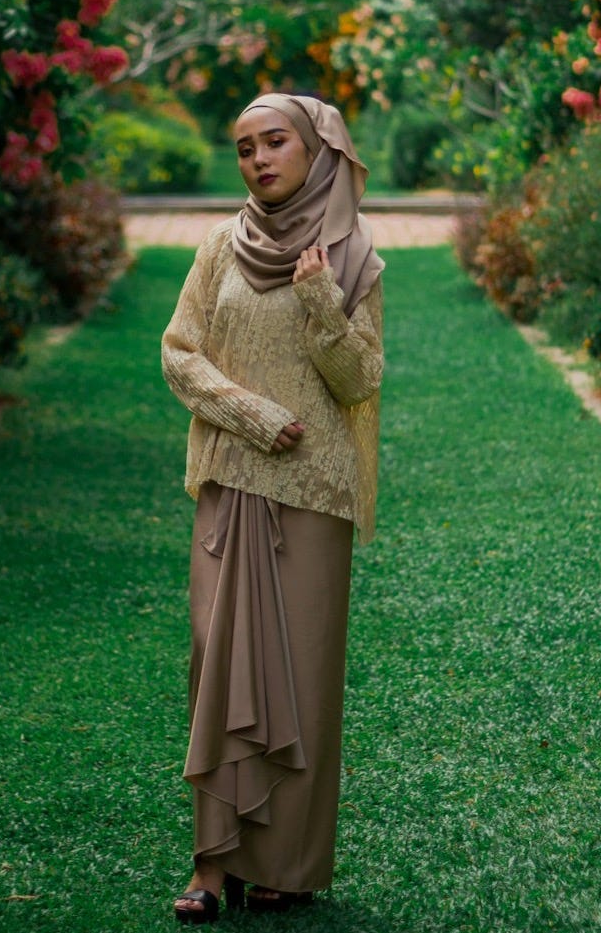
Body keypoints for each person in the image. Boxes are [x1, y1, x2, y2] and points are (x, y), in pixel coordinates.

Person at [161, 93, 385, 924]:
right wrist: (251, 414)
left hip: (314, 497)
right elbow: (180, 353)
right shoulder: (220, 245)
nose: (259, 158)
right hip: (230, 482)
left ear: (317, 146)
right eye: (245, 147)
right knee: (216, 670)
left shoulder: (355, 254)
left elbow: (361, 379)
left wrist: (323, 299)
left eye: (275, 140)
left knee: (301, 679)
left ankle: (287, 864)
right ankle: (212, 867)